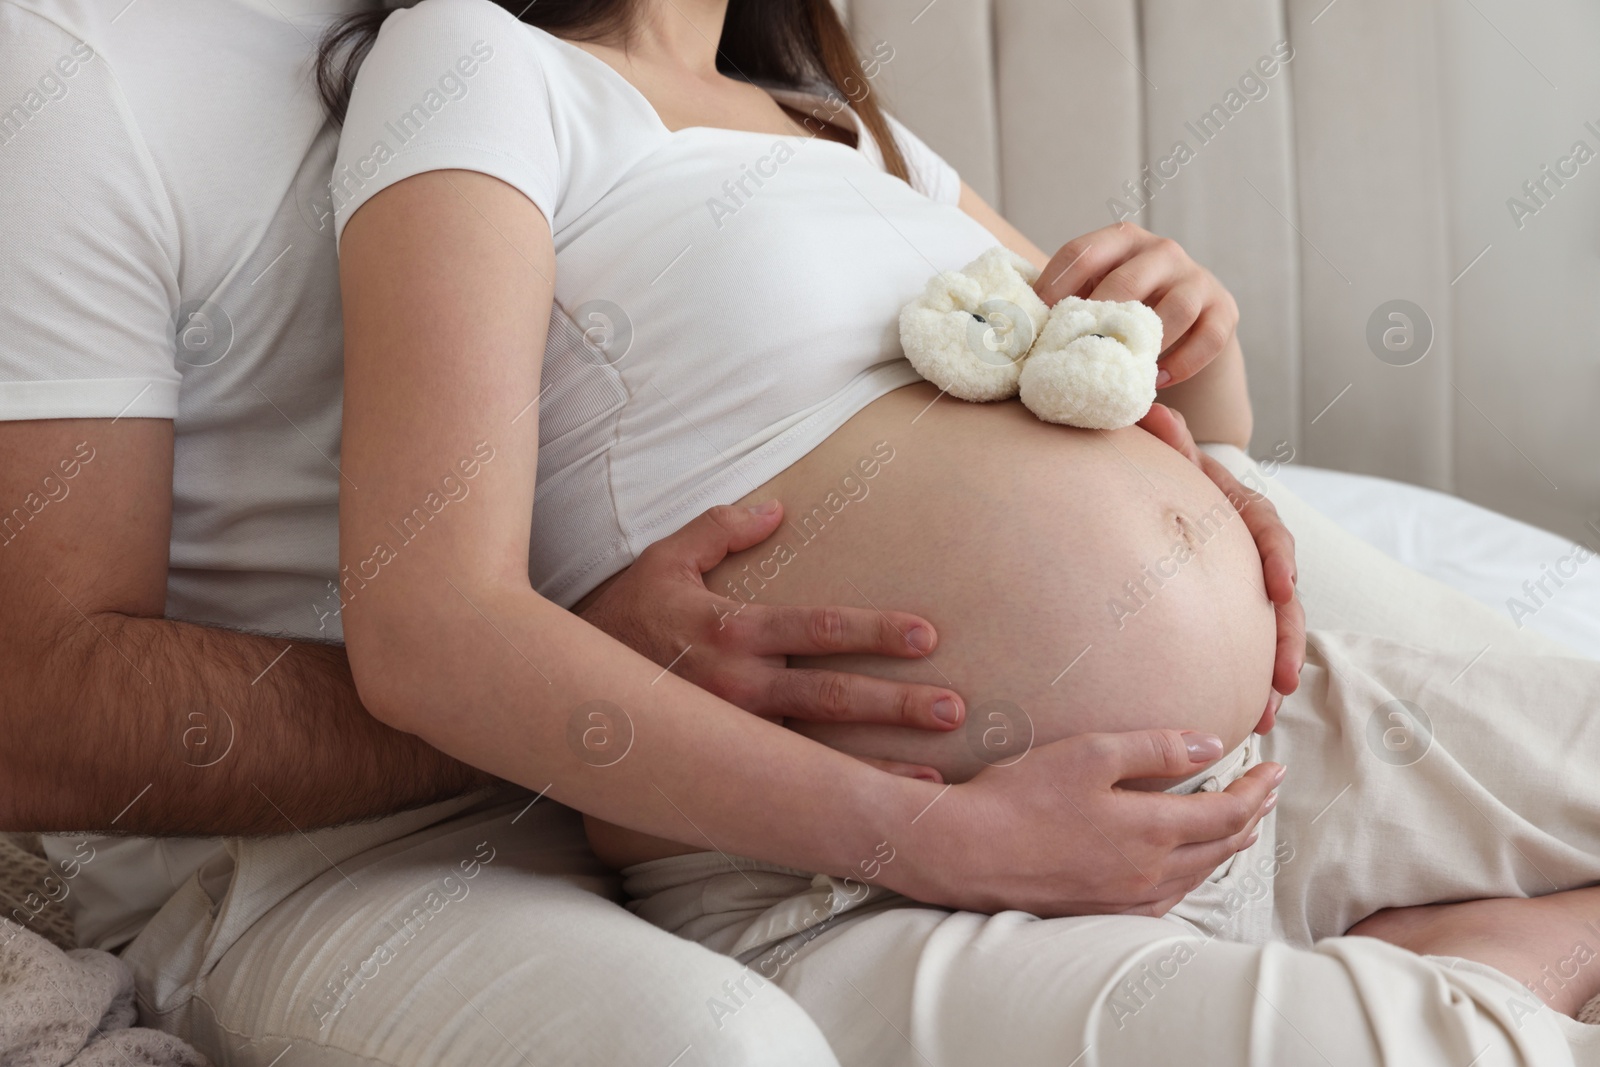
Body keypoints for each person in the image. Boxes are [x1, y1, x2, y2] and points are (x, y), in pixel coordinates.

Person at [0, 0, 1288, 1062]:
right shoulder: (77, 63)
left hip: (705, 789)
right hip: (316, 857)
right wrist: (582, 677)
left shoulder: (680, 89)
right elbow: (34, 710)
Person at [326, 0, 1600, 1063]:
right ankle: (1483, 959)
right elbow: (427, 621)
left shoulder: (842, 129)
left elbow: (1118, 385)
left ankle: (1457, 958)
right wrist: (937, 832)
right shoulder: (479, 59)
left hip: (1276, 743)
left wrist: (1200, 353)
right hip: (872, 880)